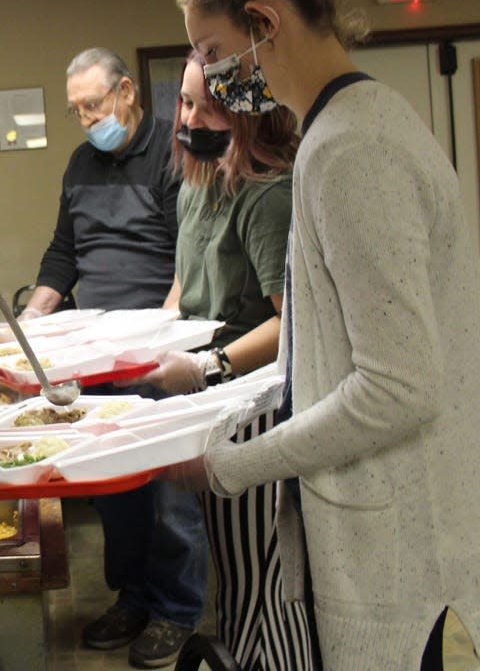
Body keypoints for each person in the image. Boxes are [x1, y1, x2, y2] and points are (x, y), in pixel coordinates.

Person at [176, 0, 480, 670]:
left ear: (264, 24)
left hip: (406, 561)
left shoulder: (352, 150)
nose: (207, 79)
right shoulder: (342, 131)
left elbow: (397, 387)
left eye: (211, 54)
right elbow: (322, 357)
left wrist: (227, 466)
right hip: (379, 540)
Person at [128, 52, 318, 670]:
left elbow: (291, 321)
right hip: (199, 389)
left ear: (250, 113)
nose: (192, 117)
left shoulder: (268, 193)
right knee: (217, 563)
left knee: (254, 570)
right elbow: (185, 283)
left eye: (210, 106)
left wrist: (209, 368)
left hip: (250, 401)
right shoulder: (197, 180)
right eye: (185, 103)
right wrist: (158, 338)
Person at [21, 48, 207, 668]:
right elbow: (63, 252)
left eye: (93, 105)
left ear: (127, 92)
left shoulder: (173, 151)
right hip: (95, 357)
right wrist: (33, 317)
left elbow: (193, 248)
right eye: (76, 111)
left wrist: (167, 325)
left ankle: (176, 611)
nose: (86, 120)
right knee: (116, 491)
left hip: (160, 352)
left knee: (169, 493)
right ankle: (132, 598)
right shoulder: (79, 164)